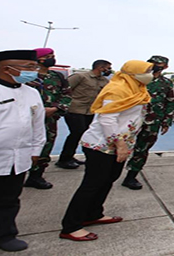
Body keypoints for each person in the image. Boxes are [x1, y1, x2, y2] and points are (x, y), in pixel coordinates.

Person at [59, 60, 153, 242]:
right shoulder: (117, 89)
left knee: (108, 179)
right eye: (146, 71)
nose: (149, 75)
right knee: (92, 184)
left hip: (120, 145)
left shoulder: (138, 89)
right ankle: (71, 226)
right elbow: (107, 119)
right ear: (132, 73)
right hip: (102, 145)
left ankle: (93, 214)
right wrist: (120, 144)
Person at [0, 50, 45, 251]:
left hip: (15, 159)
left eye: (34, 67)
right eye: (29, 67)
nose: (34, 71)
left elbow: (38, 124)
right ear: (7, 68)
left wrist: (36, 149)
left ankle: (1, 237)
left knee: (6, 201)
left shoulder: (32, 93)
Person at [122, 56, 174, 190]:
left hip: (153, 120)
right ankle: (109, 172)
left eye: (159, 64)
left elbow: (170, 102)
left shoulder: (166, 83)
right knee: (120, 144)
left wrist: (166, 121)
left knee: (143, 148)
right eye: (153, 63)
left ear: (166, 67)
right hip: (131, 119)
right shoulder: (137, 78)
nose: (155, 65)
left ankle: (131, 176)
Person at [25, 48, 72, 190]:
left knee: (46, 145)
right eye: (48, 56)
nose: (52, 58)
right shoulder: (27, 76)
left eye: (53, 56)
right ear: (38, 59)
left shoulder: (57, 76)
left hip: (49, 119)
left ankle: (36, 176)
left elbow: (67, 94)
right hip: (26, 119)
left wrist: (56, 108)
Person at [57, 59, 111, 169]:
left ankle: (70, 156)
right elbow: (65, 90)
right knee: (77, 132)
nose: (109, 70)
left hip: (89, 111)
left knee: (83, 134)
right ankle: (64, 159)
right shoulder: (80, 77)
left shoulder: (104, 81)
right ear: (100, 68)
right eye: (108, 68)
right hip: (75, 109)